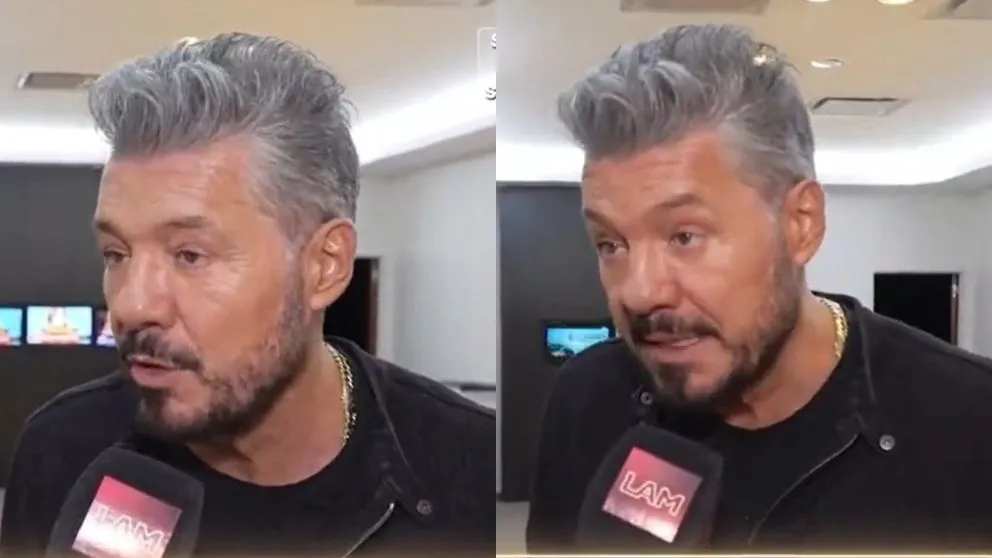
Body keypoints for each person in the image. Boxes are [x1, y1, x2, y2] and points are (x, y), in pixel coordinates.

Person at [1, 33, 494, 557]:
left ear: (324, 266)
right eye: (116, 253)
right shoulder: (61, 449)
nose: (130, 306)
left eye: (189, 255)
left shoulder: (468, 469)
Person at [526, 24, 992, 553]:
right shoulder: (588, 398)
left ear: (800, 224)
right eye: (611, 244)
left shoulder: (970, 423)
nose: (639, 292)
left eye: (684, 236)